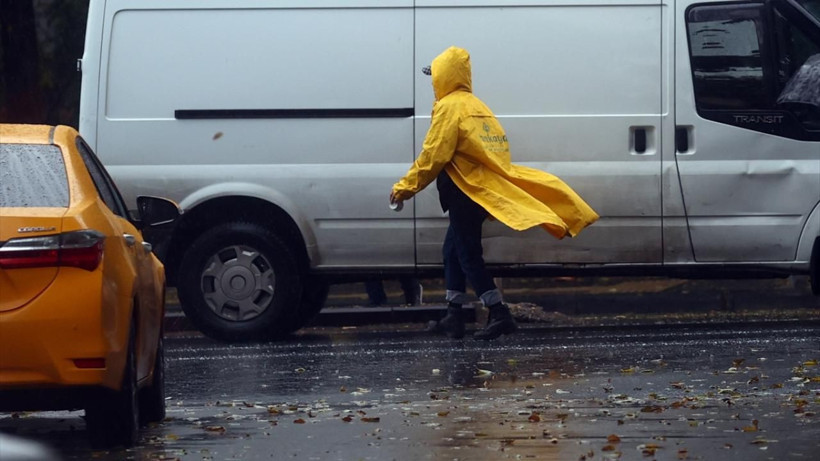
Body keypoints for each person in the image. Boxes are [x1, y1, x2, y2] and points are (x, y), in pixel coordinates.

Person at [390, 46, 599, 340]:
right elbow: (497, 149)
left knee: (466, 254)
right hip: (478, 190)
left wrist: (404, 188)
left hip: (466, 190)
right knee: (452, 250)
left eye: (433, 76)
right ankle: (454, 314)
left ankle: (499, 312)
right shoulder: (477, 106)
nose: (431, 82)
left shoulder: (450, 108)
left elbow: (433, 155)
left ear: (444, 77)